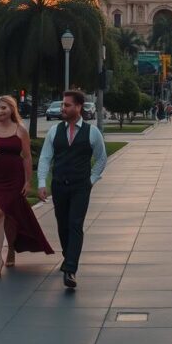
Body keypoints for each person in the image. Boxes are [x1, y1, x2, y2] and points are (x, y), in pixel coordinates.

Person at [37, 90, 108, 288]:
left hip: (80, 186)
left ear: (78, 107)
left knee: (75, 224)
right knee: (63, 225)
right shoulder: (54, 131)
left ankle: (70, 269)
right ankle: (69, 255)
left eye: (67, 105)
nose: (63, 109)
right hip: (59, 185)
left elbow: (101, 158)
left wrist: (91, 180)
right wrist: (42, 183)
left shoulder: (92, 132)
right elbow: (45, 158)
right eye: (63, 105)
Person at [0, 96, 53, 279]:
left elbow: (26, 157)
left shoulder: (20, 130)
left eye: (4, 108)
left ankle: (11, 249)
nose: (0, 111)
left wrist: (28, 182)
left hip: (15, 179)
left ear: (12, 109)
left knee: (10, 218)